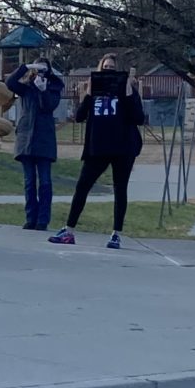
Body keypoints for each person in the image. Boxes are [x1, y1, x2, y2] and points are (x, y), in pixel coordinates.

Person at [51, 55, 146, 248]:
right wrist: (87, 93)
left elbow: (138, 118)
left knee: (120, 189)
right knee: (82, 187)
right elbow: (78, 117)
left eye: (112, 68)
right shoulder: (94, 91)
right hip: (98, 147)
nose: (108, 71)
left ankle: (116, 234)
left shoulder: (128, 91)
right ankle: (69, 231)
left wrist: (128, 93)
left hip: (123, 147)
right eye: (105, 68)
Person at [5, 56, 63, 230]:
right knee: (29, 181)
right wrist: (26, 67)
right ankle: (31, 218)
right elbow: (10, 82)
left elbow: (48, 107)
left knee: (44, 181)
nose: (41, 72)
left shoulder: (54, 87)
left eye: (44, 69)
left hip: (44, 140)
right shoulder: (26, 88)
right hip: (26, 139)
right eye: (38, 69)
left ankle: (43, 220)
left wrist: (43, 90)